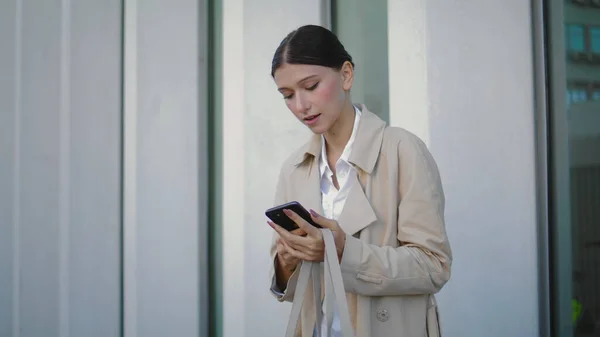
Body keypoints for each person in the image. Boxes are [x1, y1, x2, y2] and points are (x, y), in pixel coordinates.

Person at [267, 24, 452, 337]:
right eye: (288, 95)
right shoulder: (294, 169)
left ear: (346, 75)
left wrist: (342, 251)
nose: (300, 106)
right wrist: (285, 262)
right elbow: (294, 290)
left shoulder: (401, 150)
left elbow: (434, 266)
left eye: (310, 86)